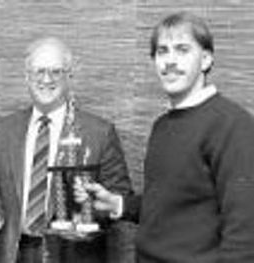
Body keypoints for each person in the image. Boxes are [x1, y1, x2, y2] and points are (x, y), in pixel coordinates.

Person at [75, 11, 254, 263]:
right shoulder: (164, 124)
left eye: (182, 50)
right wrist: (119, 204)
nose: (170, 61)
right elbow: (171, 203)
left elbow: (245, 230)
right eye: (162, 51)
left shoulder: (232, 124)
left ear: (205, 60)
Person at [0, 37, 133, 263]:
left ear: (69, 76)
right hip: (16, 253)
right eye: (39, 72)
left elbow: (120, 197)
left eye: (56, 72)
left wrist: (88, 213)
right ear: (27, 76)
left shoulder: (100, 132)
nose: (46, 79)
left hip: (73, 255)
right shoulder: (3, 131)